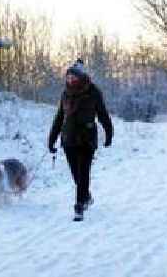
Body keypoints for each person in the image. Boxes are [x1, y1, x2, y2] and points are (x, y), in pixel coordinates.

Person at [48, 59, 113, 221]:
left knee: (83, 172)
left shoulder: (93, 92)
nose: (70, 80)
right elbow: (59, 117)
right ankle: (86, 196)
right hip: (68, 139)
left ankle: (79, 206)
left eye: (73, 77)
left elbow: (103, 114)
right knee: (76, 174)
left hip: (87, 139)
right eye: (68, 77)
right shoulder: (65, 94)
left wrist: (109, 133)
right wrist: (52, 139)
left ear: (81, 77)